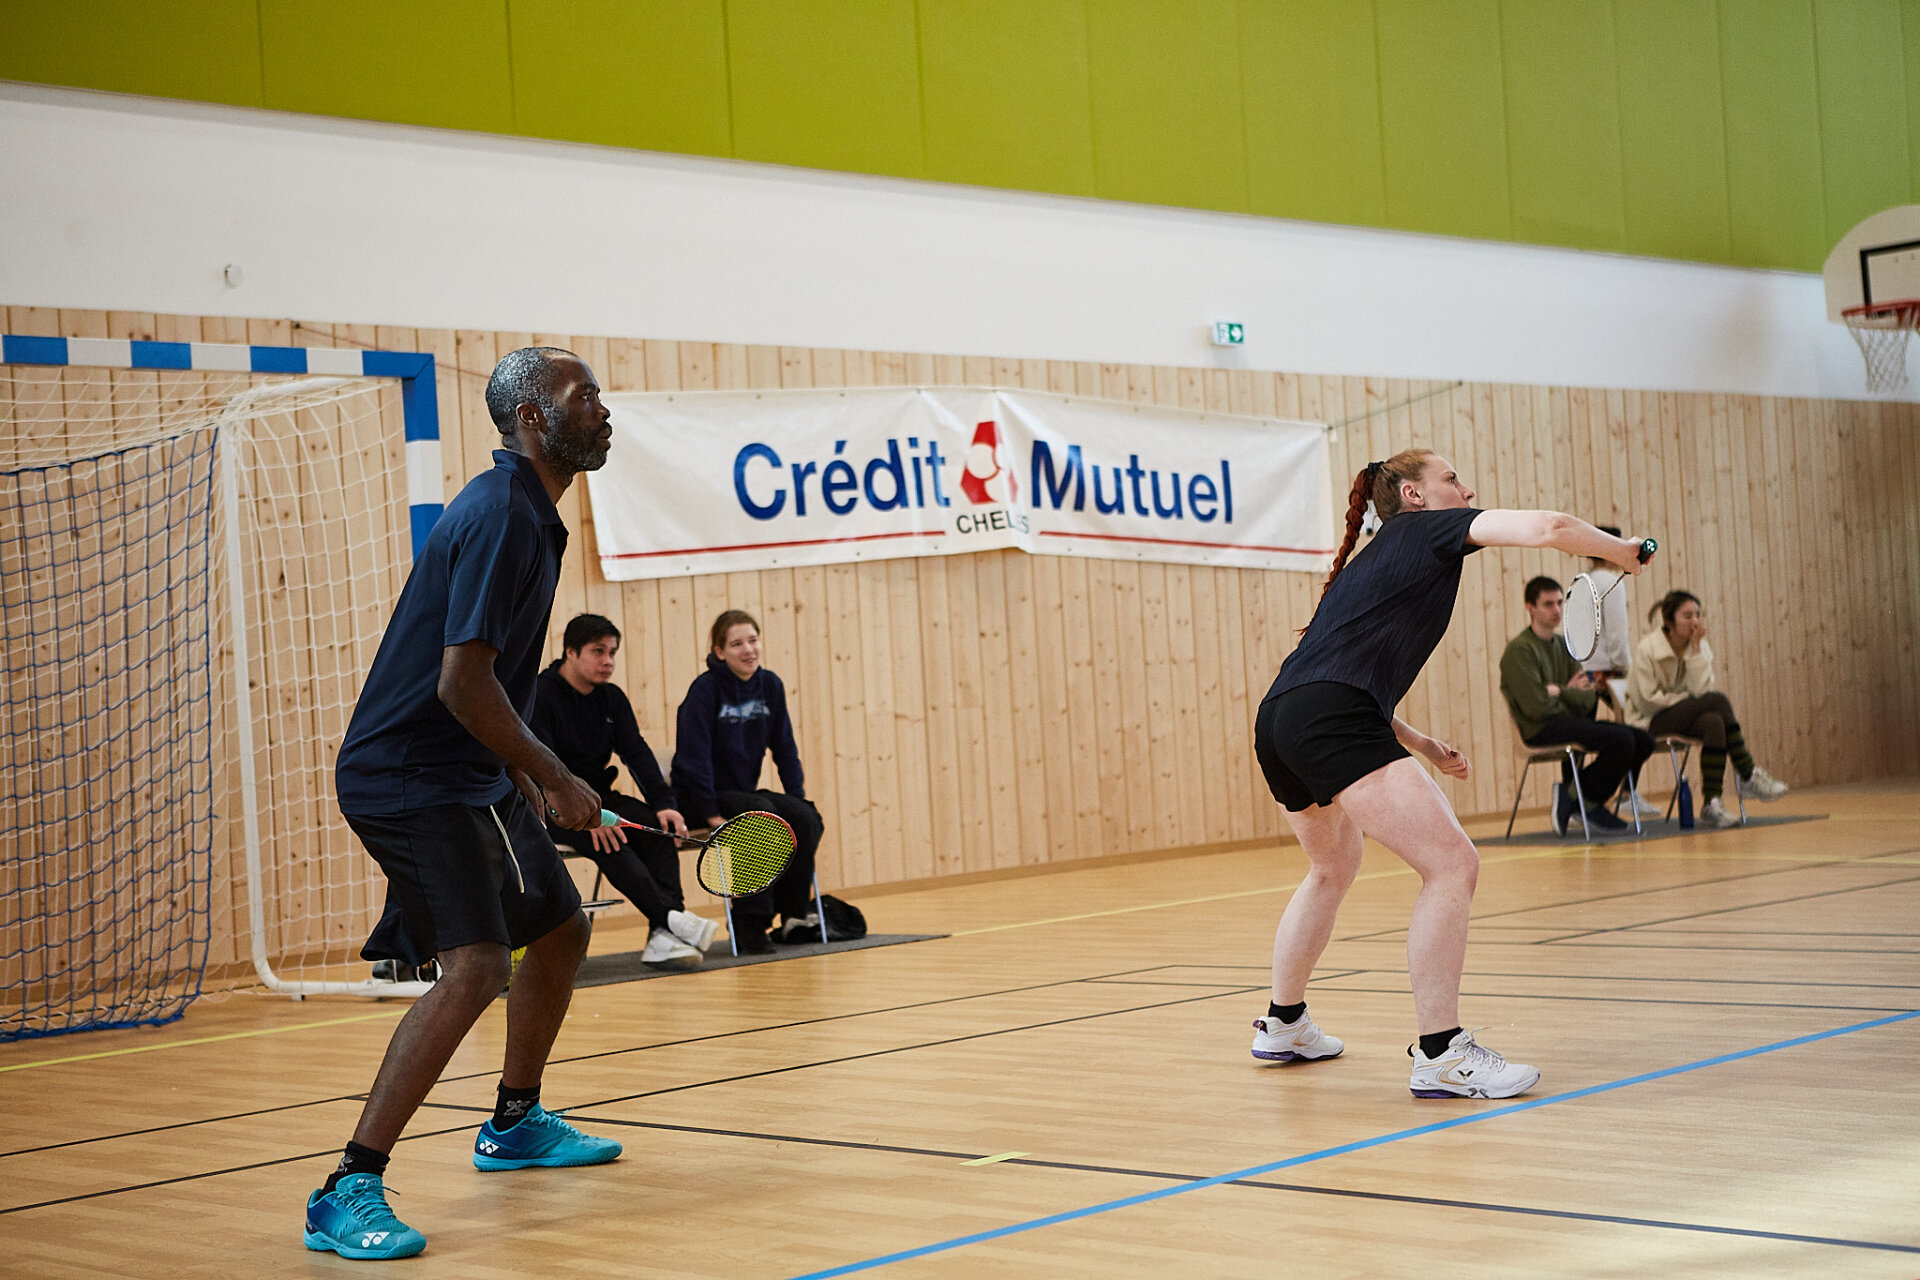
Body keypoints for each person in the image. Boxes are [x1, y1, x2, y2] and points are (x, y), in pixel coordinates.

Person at [307, 348, 622, 1260]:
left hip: (470, 767)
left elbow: (494, 680)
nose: (603, 410)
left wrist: (521, 770)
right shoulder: (498, 517)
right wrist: (555, 775)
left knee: (559, 928)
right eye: (585, 397)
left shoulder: (535, 515)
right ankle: (346, 1188)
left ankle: (515, 1122)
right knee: (478, 966)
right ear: (532, 418)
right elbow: (460, 683)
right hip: (411, 774)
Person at [1250, 448, 1651, 1100]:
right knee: (1452, 865)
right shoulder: (1428, 530)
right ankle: (1441, 1053)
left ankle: (1284, 1022)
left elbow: (1332, 670)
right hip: (1333, 718)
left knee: (1331, 867)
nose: (1466, 490)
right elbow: (1549, 527)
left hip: (1281, 719)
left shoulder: (1371, 560)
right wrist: (1621, 552)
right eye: (1452, 479)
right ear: (1413, 495)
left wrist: (1418, 742)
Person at [529, 612, 721, 964]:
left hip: (599, 798)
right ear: (570, 652)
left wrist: (664, 802)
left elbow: (636, 752)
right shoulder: (540, 695)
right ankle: (671, 919)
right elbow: (542, 765)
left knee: (657, 829)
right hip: (551, 804)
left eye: (613, 653)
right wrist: (585, 815)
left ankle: (663, 935)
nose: (608, 661)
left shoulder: (612, 698)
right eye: (598, 651)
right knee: (611, 840)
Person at [671, 610, 826, 953]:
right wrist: (710, 813)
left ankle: (793, 914)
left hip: (740, 793)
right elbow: (695, 758)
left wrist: (797, 797)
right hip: (696, 797)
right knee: (759, 813)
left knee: (804, 816)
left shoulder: (770, 685)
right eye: (737, 644)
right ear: (720, 651)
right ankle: (749, 923)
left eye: (753, 640)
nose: (748, 650)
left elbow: (785, 748)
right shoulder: (705, 690)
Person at [1499, 575, 1656, 835]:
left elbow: (1588, 699)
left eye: (1560, 602)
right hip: (1540, 728)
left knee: (1643, 741)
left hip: (1567, 721)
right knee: (1622, 740)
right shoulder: (1519, 651)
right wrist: (1570, 693)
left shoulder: (1565, 645)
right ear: (1530, 607)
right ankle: (1586, 801)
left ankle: (1575, 795)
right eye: (1548, 604)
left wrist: (1559, 691)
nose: (1557, 610)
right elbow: (1536, 708)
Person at [1624, 590, 1789, 828]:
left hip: (1681, 715)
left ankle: (1712, 803)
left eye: (1697, 615)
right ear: (1669, 622)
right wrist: (1684, 699)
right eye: (1687, 616)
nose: (1695, 621)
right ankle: (1748, 773)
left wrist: (1695, 650)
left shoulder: (1698, 646)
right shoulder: (1647, 649)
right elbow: (1647, 701)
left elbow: (1701, 691)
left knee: (1713, 722)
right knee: (1718, 701)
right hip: (1647, 721)